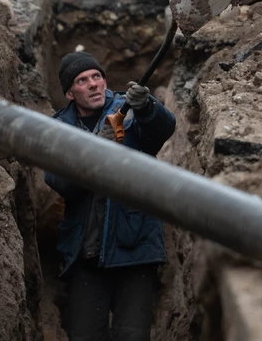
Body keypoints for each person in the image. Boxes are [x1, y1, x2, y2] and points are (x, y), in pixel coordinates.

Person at [44, 51, 176, 341]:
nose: (93, 84)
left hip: (135, 247)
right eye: (82, 80)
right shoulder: (59, 129)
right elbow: (59, 181)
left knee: (132, 335)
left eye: (97, 76)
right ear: (69, 93)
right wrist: (94, 149)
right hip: (85, 255)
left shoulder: (127, 112)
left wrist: (148, 108)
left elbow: (162, 131)